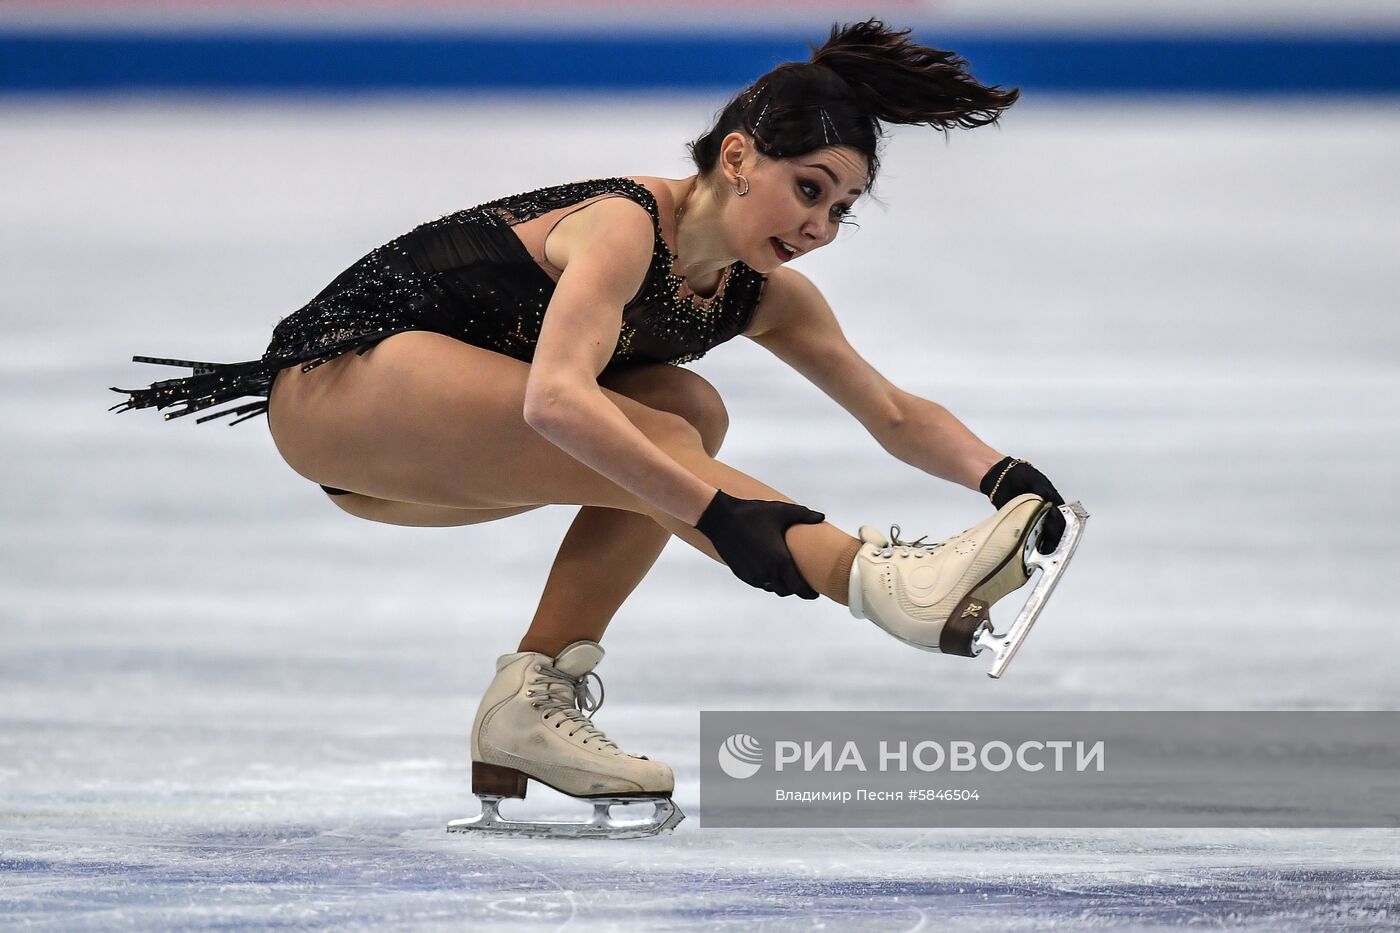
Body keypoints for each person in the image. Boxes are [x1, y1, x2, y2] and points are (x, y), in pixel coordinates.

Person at [110, 20, 1070, 837]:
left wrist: (1011, 482)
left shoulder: (765, 295)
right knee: (659, 431)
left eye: (842, 209)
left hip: (424, 462)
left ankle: (530, 698)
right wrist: (717, 514)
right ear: (738, 158)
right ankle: (877, 581)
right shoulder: (622, 225)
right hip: (344, 388)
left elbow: (893, 412)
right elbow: (556, 402)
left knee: (689, 411)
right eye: (809, 188)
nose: (820, 224)